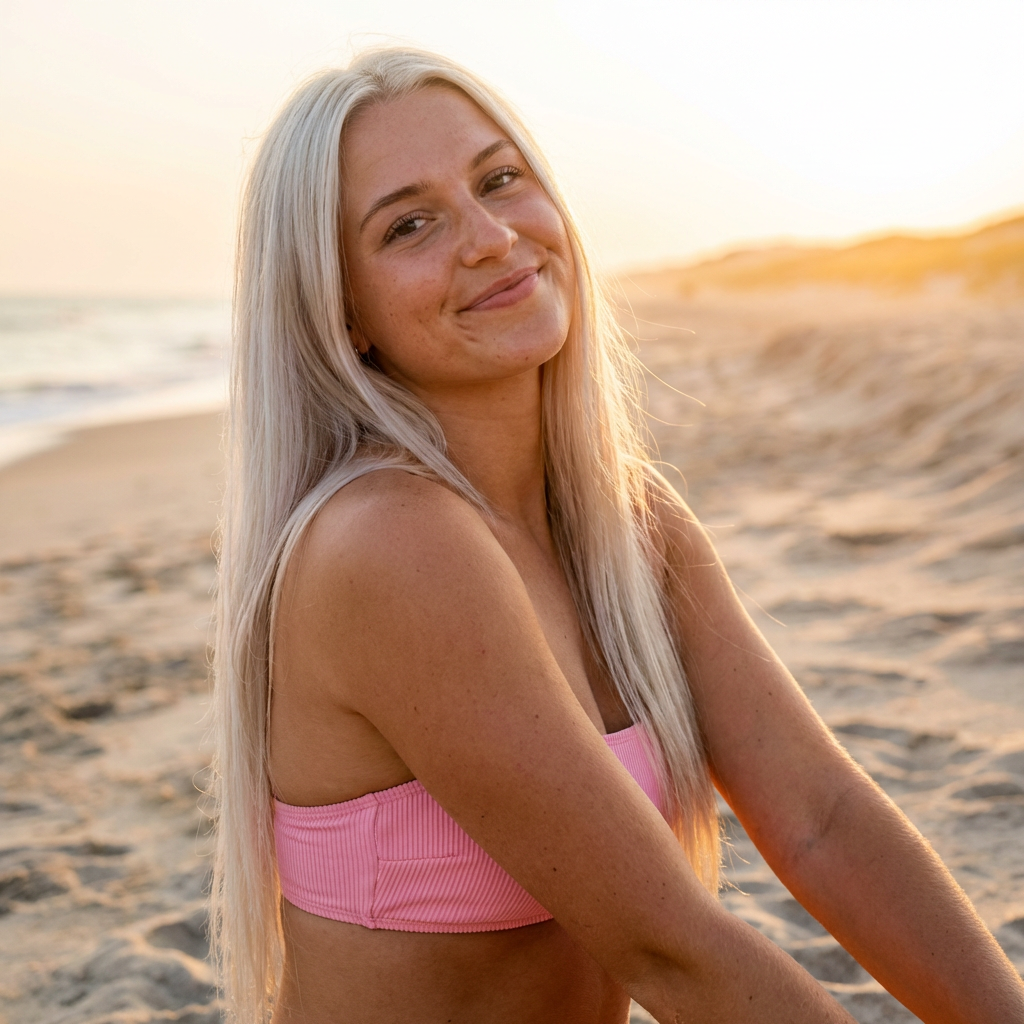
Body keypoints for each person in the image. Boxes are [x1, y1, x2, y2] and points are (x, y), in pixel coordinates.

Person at [210, 47, 1024, 1024]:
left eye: (500, 179)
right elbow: (668, 948)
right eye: (409, 224)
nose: (489, 236)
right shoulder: (386, 544)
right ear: (344, 312)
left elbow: (821, 820)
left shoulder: (629, 527)